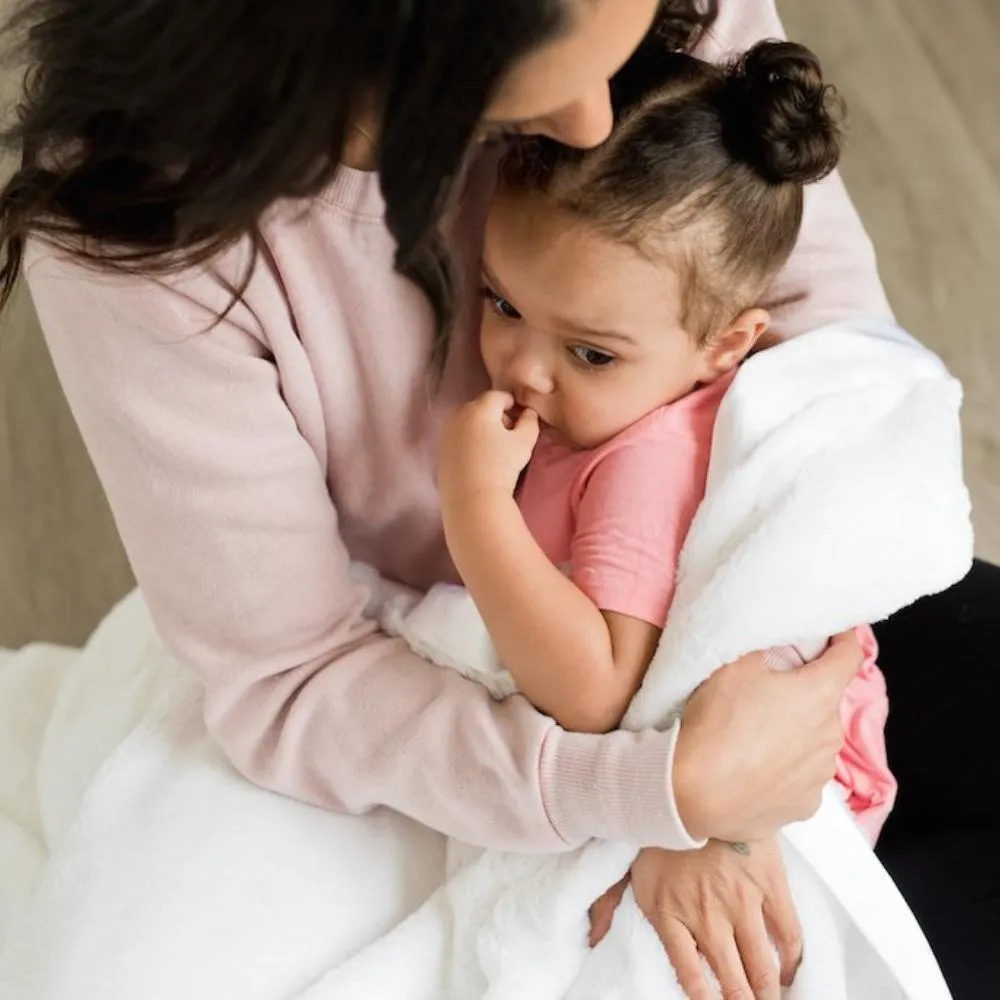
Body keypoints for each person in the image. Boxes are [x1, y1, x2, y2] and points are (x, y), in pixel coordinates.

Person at [0, 0, 993, 997]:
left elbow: (838, 367)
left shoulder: (648, 21)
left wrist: (727, 699)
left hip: (753, 611)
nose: (593, 127)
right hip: (438, 692)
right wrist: (656, 791)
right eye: (539, 88)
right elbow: (296, 673)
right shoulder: (141, 240)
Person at [438, 39, 895, 846]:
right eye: (502, 304)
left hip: (788, 795)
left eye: (590, 353)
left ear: (725, 346)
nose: (524, 369)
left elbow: (597, 694)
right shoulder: (622, 399)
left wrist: (475, 509)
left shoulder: (646, 463)